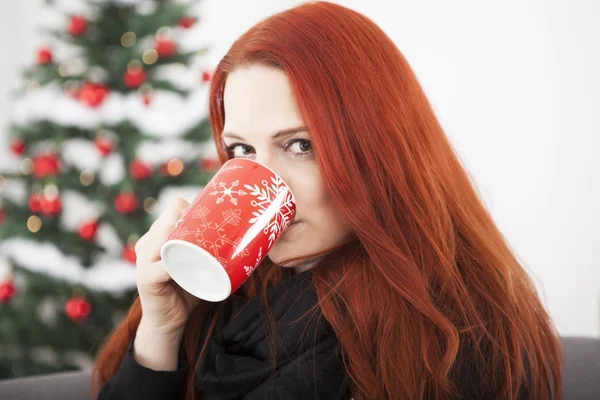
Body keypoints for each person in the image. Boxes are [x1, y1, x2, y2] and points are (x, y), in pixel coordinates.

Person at [92, 2, 563, 399]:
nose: (264, 180)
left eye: (301, 145)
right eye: (242, 150)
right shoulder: (226, 302)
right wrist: (162, 330)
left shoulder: (449, 339)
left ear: (378, 150)